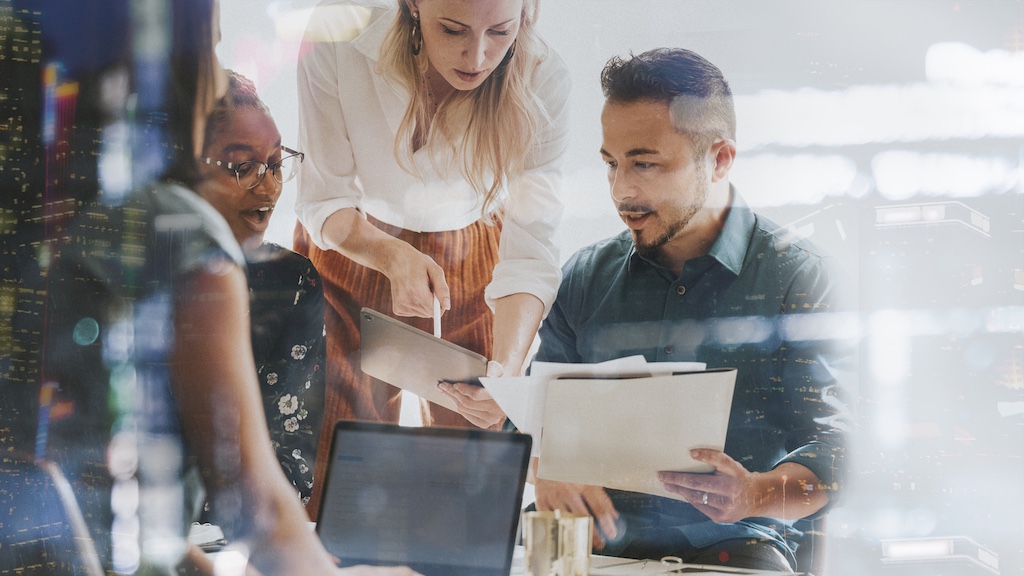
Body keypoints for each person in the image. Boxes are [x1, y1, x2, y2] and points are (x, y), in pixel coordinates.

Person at [38, 0, 417, 574]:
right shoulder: (182, 235)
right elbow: (257, 506)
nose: (218, 73)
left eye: (274, 163)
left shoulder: (47, 215)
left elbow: (97, 491)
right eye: (211, 46)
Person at [531, 48, 853, 572]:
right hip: (590, 544)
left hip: (735, 546)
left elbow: (842, 446)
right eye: (611, 163)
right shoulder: (585, 276)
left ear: (720, 159)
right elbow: (531, 415)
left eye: (645, 164)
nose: (621, 191)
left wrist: (756, 494)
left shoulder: (799, 276)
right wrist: (545, 466)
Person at [294, 0, 569, 513]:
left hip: (479, 262)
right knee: (332, 485)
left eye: (501, 31)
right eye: (453, 29)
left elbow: (531, 253)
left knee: (473, 496)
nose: (477, 55)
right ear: (413, 5)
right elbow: (321, 199)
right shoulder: (339, 27)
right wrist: (388, 254)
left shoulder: (544, 77)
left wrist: (507, 373)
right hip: (350, 248)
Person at [195, 69, 325, 507]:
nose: (268, 187)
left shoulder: (291, 282)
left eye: (274, 164)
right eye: (243, 167)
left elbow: (291, 467)